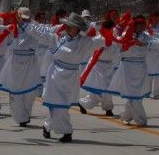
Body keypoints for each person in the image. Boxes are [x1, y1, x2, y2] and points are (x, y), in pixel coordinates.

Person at [26, 13, 106, 143]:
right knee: (58, 105)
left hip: (71, 76)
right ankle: (67, 132)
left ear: (78, 29)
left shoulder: (85, 42)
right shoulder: (57, 38)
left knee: (61, 106)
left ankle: (48, 125)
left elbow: (103, 40)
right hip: (55, 75)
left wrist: (111, 28)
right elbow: (40, 35)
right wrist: (24, 26)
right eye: (67, 25)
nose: (68, 27)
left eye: (72, 26)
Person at [0, 7, 43, 127]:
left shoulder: (35, 28)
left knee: (30, 91)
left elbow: (47, 32)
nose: (23, 21)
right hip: (15, 62)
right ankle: (21, 118)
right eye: (21, 19)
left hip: (30, 62)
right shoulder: (11, 28)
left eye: (26, 19)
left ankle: (26, 114)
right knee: (16, 92)